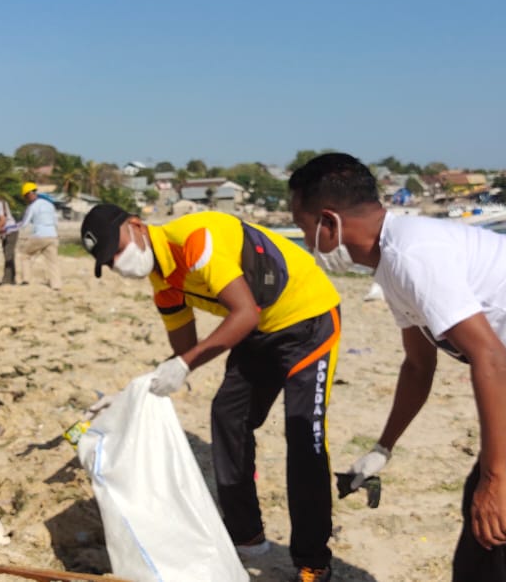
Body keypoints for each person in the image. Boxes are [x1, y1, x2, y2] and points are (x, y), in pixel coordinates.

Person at [287, 153, 506, 582]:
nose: (305, 240)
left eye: (303, 227)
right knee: (483, 512)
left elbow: (489, 357)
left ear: (329, 223)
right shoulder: (391, 264)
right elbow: (418, 365)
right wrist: (383, 448)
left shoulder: (412, 255)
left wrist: (495, 476)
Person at [80, 203, 341, 582]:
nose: (119, 263)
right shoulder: (163, 284)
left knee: (304, 437)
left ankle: (313, 561)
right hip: (260, 328)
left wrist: (185, 365)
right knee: (228, 415)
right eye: (109, 261)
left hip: (307, 317)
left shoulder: (194, 240)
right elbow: (183, 350)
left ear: (137, 226)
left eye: (117, 250)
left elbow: (243, 313)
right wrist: (131, 395)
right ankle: (246, 535)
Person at [16, 182, 60, 289]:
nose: (26, 200)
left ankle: (26, 280)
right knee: (52, 262)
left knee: (24, 255)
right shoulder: (50, 205)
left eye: (25, 197)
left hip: (40, 235)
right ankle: (56, 285)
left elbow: (24, 223)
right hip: (53, 236)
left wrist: (11, 228)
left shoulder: (32, 206)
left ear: (29, 194)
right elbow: (56, 221)